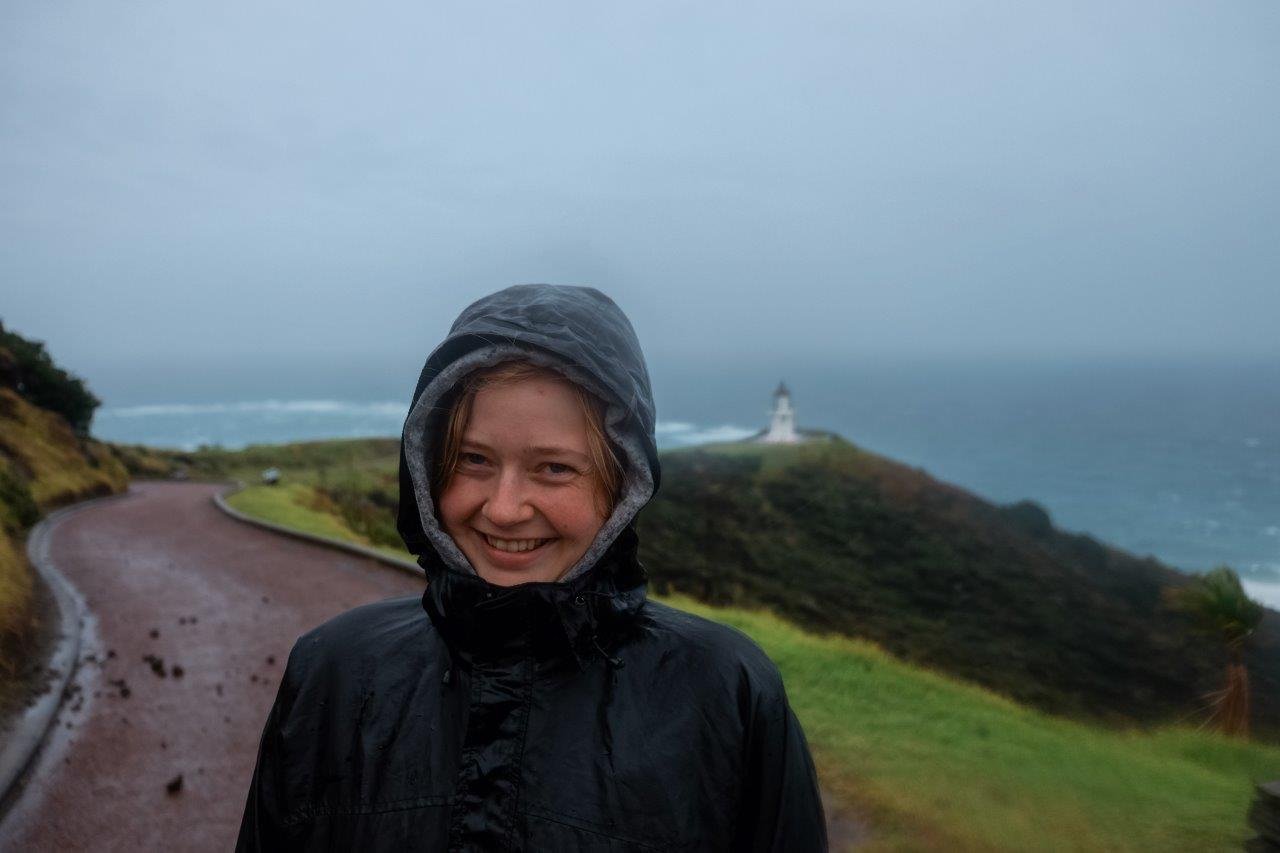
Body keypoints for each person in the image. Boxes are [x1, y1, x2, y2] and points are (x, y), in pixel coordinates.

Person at [236, 284, 828, 851]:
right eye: (472, 458)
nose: (503, 508)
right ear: (425, 465)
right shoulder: (333, 672)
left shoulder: (727, 695)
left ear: (623, 484)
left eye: (554, 468)